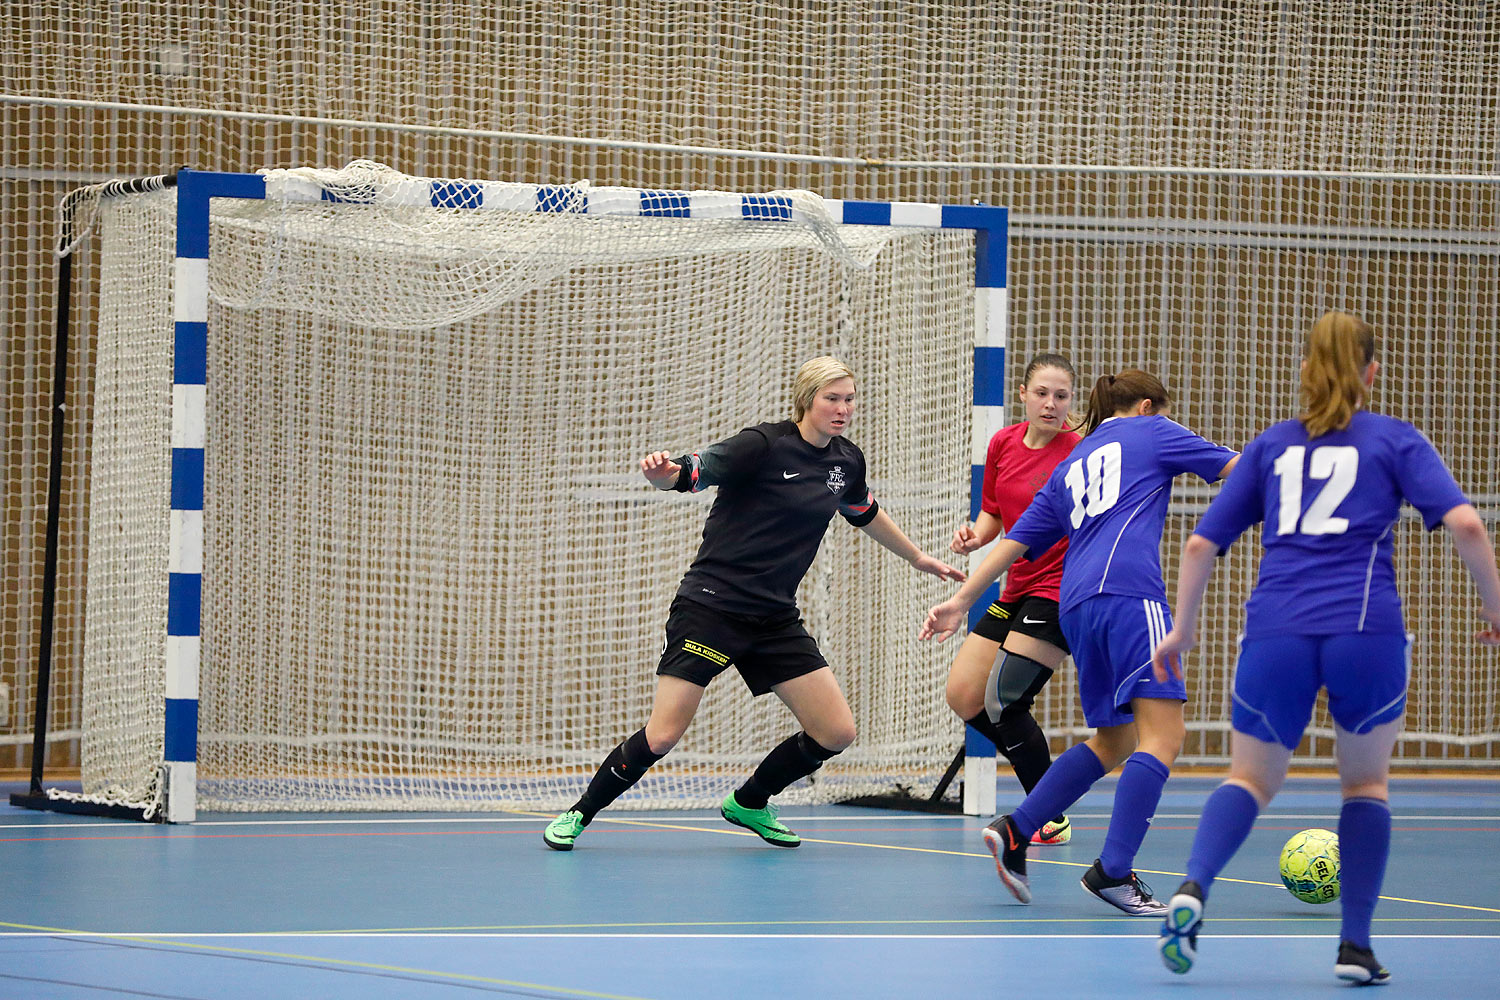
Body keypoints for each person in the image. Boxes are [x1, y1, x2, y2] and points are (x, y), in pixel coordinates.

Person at [1151, 312, 1500, 984]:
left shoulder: (1272, 446)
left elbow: (1200, 542)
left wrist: (1183, 628)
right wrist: (1494, 605)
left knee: (1248, 778)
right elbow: (1466, 523)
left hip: (1276, 629)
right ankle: (1356, 948)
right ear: (1372, 372)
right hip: (1364, 632)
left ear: (1304, 371)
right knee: (1365, 783)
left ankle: (1192, 888)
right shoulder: (1394, 440)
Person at [544, 356, 965, 851]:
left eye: (849, 399)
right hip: (710, 608)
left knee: (835, 731)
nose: (843, 408)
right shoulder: (762, 445)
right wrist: (663, 475)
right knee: (662, 735)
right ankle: (579, 813)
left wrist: (917, 557)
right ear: (807, 400)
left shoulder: (846, 460)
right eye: (833, 398)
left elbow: (863, 510)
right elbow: (690, 474)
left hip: (773, 617)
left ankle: (750, 801)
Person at [922, 369, 1238, 915]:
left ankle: (1018, 829)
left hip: (1077, 604)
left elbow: (1014, 543)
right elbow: (1243, 469)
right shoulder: (1154, 430)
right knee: (1162, 736)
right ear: (1145, 407)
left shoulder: (1074, 461)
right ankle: (1113, 872)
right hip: (1131, 595)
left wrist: (961, 599)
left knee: (1112, 740)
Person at [945, 353, 1081, 846]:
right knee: (963, 695)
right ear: (1022, 394)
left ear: (1071, 401)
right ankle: (1044, 791)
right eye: (1042, 393)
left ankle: (1047, 813)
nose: (1051, 404)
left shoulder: (1079, 452)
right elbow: (994, 515)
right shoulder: (1003, 442)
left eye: (1061, 396)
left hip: (1059, 588)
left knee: (1006, 701)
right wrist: (973, 536)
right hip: (1016, 584)